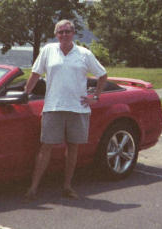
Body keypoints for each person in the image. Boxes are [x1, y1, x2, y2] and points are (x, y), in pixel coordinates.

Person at [23, 19, 108, 200]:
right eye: (60, 32)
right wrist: (24, 95)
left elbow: (102, 75)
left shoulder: (84, 54)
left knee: (73, 148)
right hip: (53, 106)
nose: (64, 35)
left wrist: (95, 96)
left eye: (67, 31)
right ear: (56, 34)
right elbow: (35, 74)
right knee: (46, 147)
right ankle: (33, 188)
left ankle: (67, 187)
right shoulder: (47, 51)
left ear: (73, 33)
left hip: (78, 108)